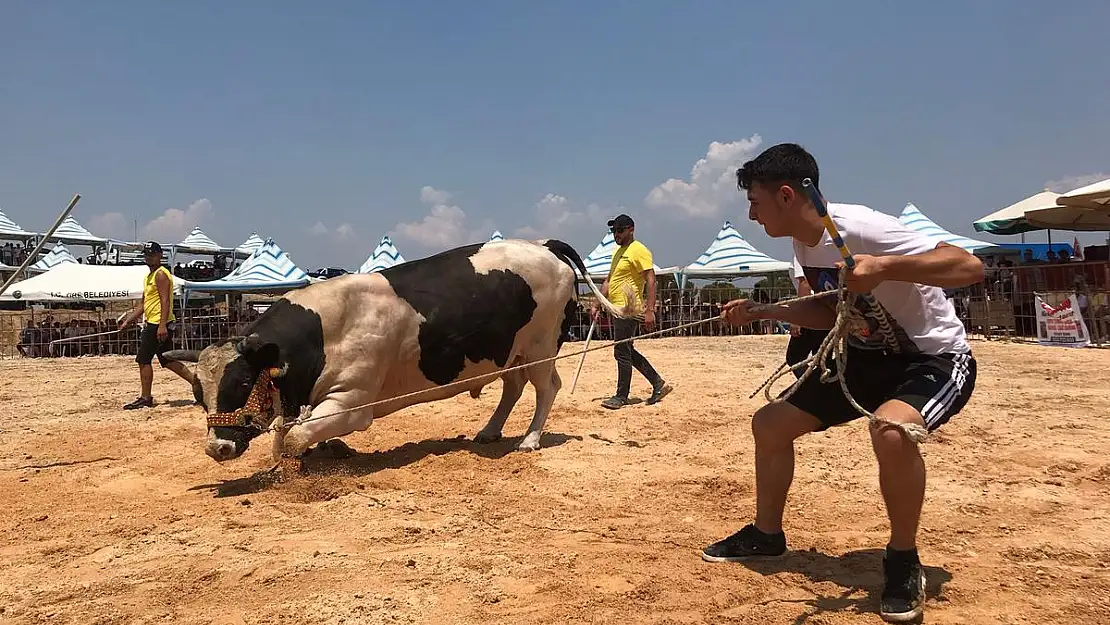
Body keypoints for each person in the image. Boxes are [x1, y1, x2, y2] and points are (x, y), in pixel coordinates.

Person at [701, 143, 982, 623]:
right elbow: (827, 309)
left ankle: (902, 560)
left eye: (755, 202)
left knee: (892, 433)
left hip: (932, 358)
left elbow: (967, 266)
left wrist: (886, 266)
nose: (751, 215)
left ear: (787, 196)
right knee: (769, 425)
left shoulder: (863, 228)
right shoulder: (802, 242)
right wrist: (763, 311)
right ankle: (767, 536)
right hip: (866, 361)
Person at [590, 213, 673, 409]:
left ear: (631, 229)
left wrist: (650, 310)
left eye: (619, 230)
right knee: (627, 350)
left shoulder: (638, 250)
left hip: (629, 308)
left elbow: (651, 279)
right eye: (613, 231)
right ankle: (657, 383)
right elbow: (609, 280)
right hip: (616, 308)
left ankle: (621, 396)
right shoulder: (617, 252)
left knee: (621, 351)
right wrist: (597, 303)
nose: (615, 235)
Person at [118, 241, 194, 409]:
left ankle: (146, 397)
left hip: (158, 322)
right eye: (147, 254)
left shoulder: (161, 274)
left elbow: (165, 301)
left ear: (160, 255)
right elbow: (144, 304)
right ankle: (198, 383)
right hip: (154, 321)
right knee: (167, 360)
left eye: (152, 254)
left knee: (143, 359)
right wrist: (129, 320)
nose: (149, 257)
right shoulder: (149, 277)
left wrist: (161, 326)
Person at [784, 256, 829, 378]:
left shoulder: (802, 252)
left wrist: (798, 319)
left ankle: (812, 386)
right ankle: (822, 386)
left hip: (811, 312)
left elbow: (805, 284)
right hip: (827, 311)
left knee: (794, 358)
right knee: (822, 358)